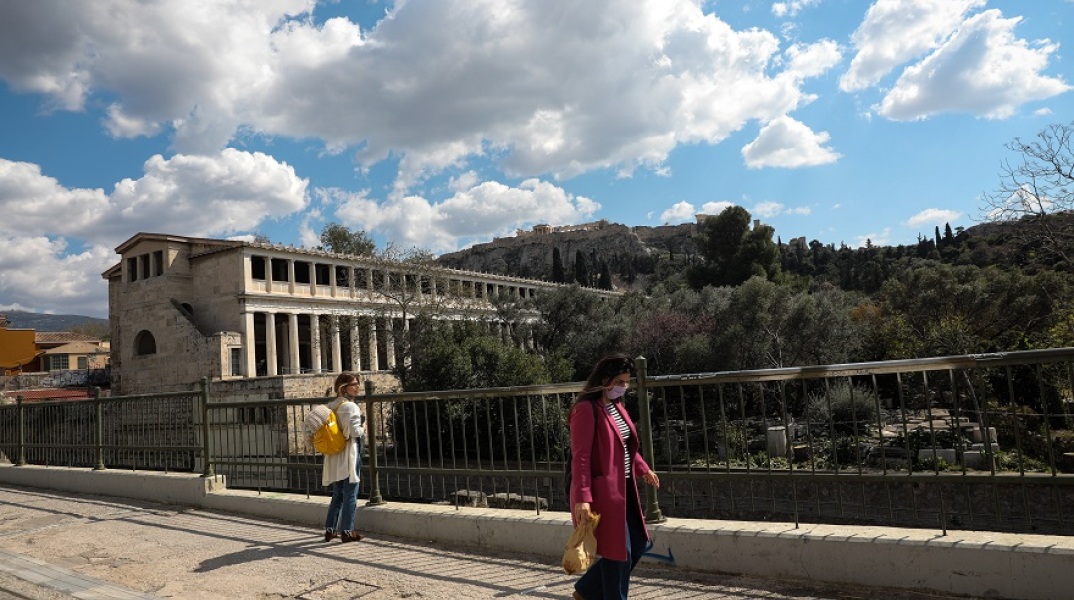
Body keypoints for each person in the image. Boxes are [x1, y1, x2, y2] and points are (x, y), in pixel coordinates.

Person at [569, 353, 660, 600]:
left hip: (625, 492)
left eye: (627, 382)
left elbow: (627, 446)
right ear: (605, 379)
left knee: (639, 544)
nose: (624, 387)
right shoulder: (585, 410)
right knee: (620, 554)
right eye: (620, 381)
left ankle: (587, 589)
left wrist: (643, 468)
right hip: (604, 495)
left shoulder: (617, 407)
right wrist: (583, 498)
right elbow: (582, 458)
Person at [322, 372, 366, 543]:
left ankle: (330, 529)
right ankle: (347, 531)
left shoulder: (330, 406)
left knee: (338, 493)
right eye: (354, 384)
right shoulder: (351, 407)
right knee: (350, 493)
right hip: (349, 454)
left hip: (335, 455)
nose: (357, 387)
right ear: (344, 388)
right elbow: (355, 432)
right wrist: (363, 427)